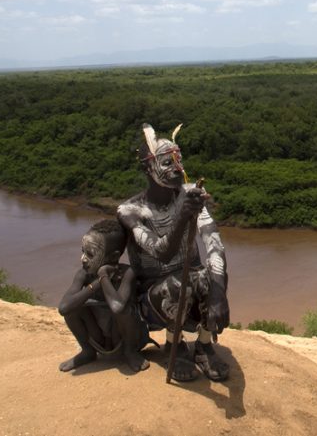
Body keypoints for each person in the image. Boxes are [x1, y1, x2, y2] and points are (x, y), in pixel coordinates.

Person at [117, 123, 230, 382]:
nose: (177, 169)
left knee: (214, 272)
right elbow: (162, 254)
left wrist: (218, 294)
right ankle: (174, 344)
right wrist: (182, 216)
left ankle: (204, 344)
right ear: (148, 168)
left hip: (192, 283)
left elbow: (215, 246)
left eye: (179, 161)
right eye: (167, 163)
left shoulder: (191, 194)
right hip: (155, 298)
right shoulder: (130, 211)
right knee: (178, 284)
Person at [57, 219, 150, 373]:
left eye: (90, 254)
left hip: (126, 338)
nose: (83, 258)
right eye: (83, 251)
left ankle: (130, 353)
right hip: (100, 339)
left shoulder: (128, 273)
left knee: (124, 310)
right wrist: (97, 283)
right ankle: (88, 351)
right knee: (74, 306)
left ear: (113, 257)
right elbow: (64, 308)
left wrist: (103, 276)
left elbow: (118, 307)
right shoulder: (84, 275)